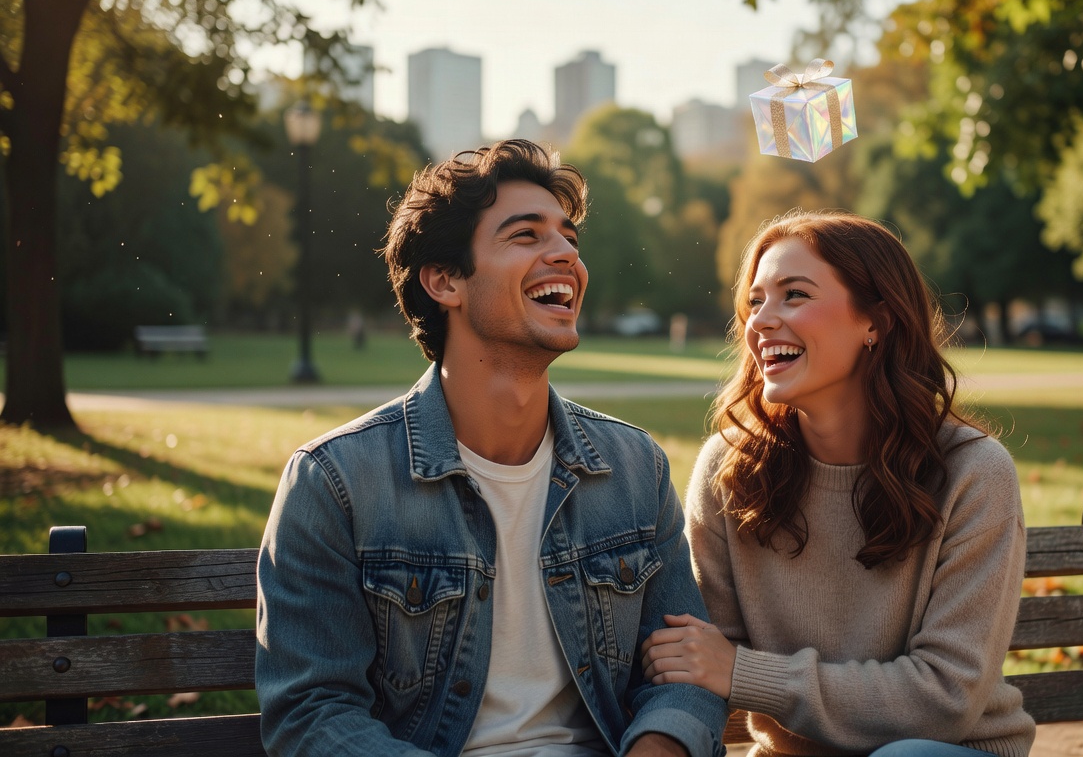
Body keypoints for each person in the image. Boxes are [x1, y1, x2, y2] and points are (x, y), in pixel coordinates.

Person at [255, 139, 727, 757]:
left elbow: (685, 675)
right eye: (526, 235)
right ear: (444, 280)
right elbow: (311, 714)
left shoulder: (635, 467)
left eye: (569, 238)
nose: (565, 254)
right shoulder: (335, 482)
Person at [640, 211, 1036, 757]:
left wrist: (745, 673)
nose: (761, 322)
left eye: (794, 295)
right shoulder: (729, 470)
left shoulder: (973, 473)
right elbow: (705, 658)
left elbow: (945, 699)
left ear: (876, 321)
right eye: (755, 302)